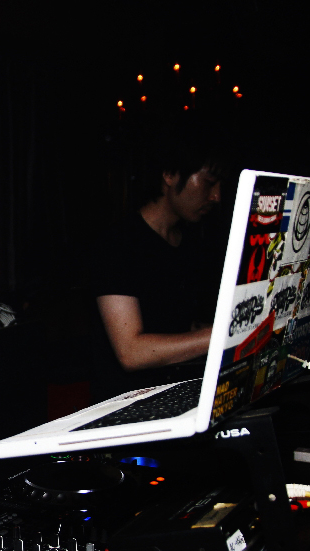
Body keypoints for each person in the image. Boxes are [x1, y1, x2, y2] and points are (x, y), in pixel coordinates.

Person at [92, 122, 227, 398]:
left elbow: (177, 327)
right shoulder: (119, 243)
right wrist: (224, 333)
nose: (216, 196)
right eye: (208, 182)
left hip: (176, 392)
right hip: (126, 405)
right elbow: (131, 352)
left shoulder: (191, 241)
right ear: (169, 175)